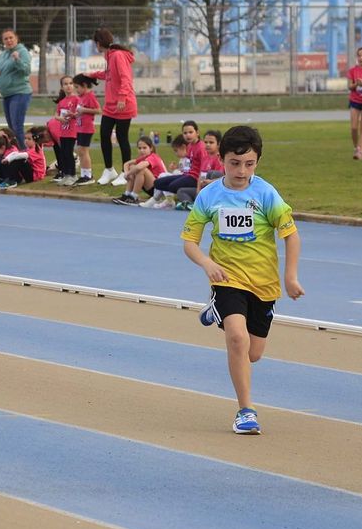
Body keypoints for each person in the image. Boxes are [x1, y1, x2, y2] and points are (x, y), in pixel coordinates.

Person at [183, 125, 304, 435]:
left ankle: (215, 312)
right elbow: (190, 242)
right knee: (237, 339)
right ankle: (245, 411)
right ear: (222, 159)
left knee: (253, 353)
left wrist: (290, 277)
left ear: (257, 162)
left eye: (249, 164)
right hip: (227, 277)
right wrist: (207, 263)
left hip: (263, 284)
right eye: (235, 163)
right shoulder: (210, 195)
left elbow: (291, 236)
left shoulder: (265, 193)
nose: (242, 170)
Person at [91, 28, 138, 184]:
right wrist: (91, 75)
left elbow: (126, 78)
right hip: (110, 106)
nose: (95, 46)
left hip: (123, 104)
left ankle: (127, 173)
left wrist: (122, 98)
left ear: (99, 43)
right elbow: (109, 75)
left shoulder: (117, 55)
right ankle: (109, 170)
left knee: (122, 138)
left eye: (95, 43)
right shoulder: (109, 56)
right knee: (104, 135)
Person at [0, 29, 33, 150]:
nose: (9, 40)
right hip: (6, 94)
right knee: (11, 129)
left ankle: (27, 155)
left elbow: (26, 71)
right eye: (6, 39)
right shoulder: (4, 54)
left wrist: (17, 60)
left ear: (16, 38)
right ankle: (17, 154)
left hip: (19, 92)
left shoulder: (22, 51)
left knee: (16, 127)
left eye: (11, 37)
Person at [112, 134, 167, 205]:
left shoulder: (153, 157)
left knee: (141, 169)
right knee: (132, 167)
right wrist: (126, 173)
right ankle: (127, 194)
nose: (142, 150)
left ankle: (134, 197)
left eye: (144, 148)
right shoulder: (143, 158)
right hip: (151, 187)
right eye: (139, 148)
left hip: (160, 189)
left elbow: (139, 167)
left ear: (151, 148)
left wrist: (128, 174)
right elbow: (126, 164)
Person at [71, 73, 99, 184]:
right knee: (80, 151)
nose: (76, 90)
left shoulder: (90, 96)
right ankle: (83, 174)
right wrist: (73, 114)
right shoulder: (81, 97)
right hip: (80, 127)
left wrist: (84, 110)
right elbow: (80, 111)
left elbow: (98, 110)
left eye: (77, 87)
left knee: (83, 151)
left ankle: (88, 175)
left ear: (84, 85)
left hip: (86, 128)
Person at [52, 76, 80, 183]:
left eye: (70, 83)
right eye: (66, 84)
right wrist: (59, 118)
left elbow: (79, 113)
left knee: (69, 152)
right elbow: (56, 114)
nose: (68, 86)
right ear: (62, 87)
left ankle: (72, 175)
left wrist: (73, 115)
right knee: (63, 153)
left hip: (72, 131)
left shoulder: (76, 99)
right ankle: (66, 174)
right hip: (63, 131)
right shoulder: (62, 101)